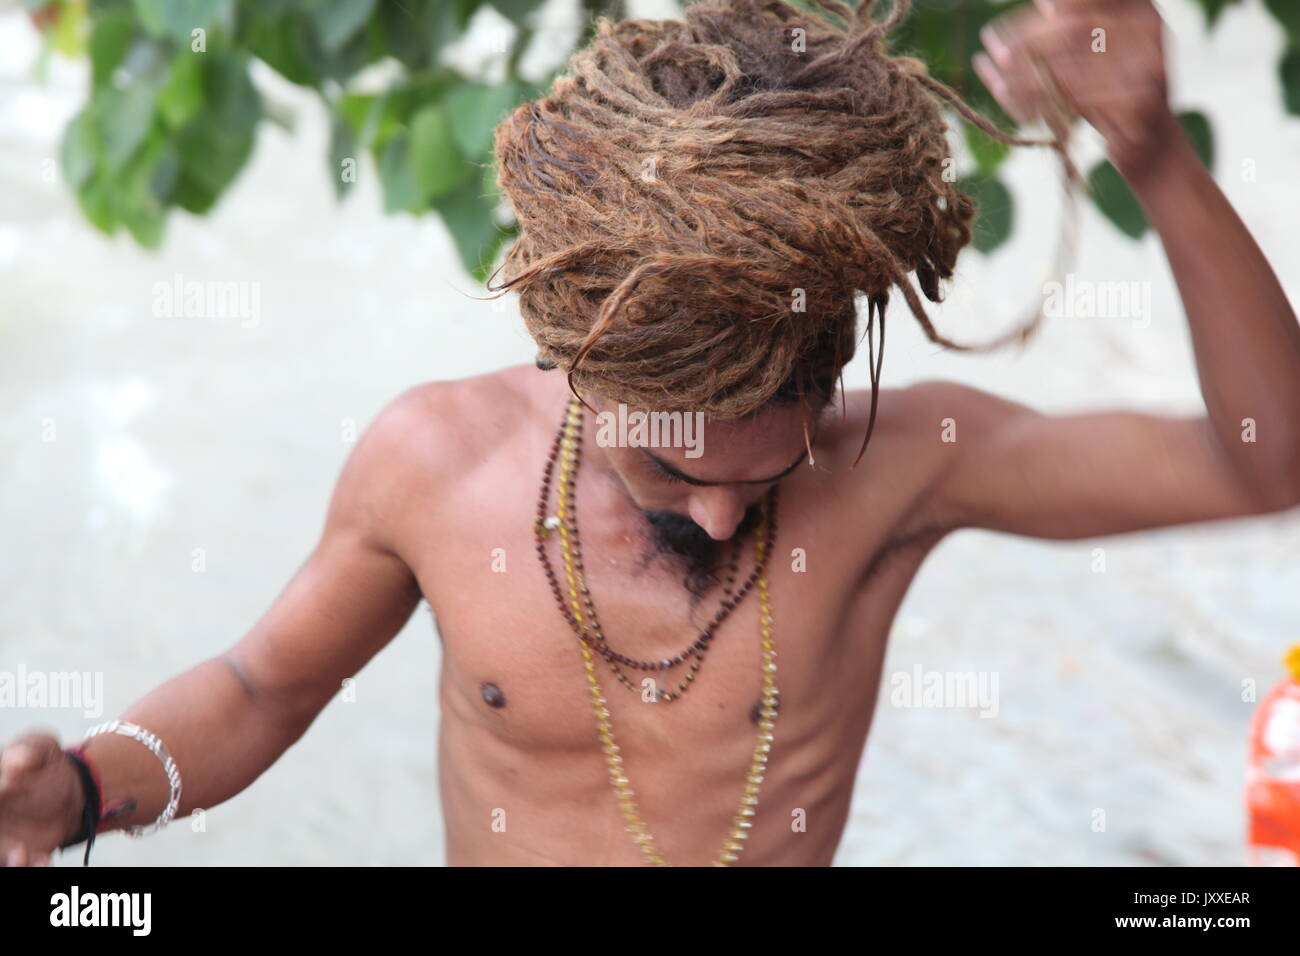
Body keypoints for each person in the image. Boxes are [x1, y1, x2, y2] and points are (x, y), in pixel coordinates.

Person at [2, 0, 1298, 867]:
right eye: (671, 468)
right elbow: (259, 688)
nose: (727, 517)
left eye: (766, 468)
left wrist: (1156, 158)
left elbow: (1262, 462)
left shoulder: (900, 468)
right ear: (578, 364)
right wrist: (79, 795)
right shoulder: (435, 463)